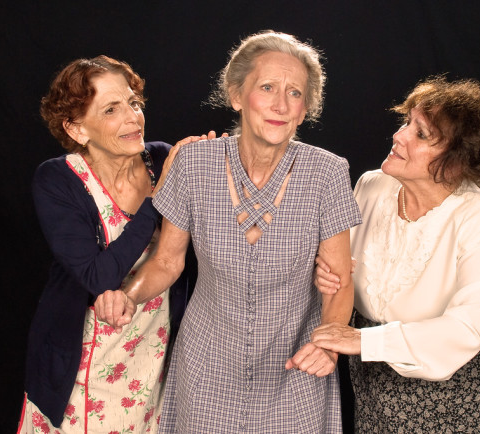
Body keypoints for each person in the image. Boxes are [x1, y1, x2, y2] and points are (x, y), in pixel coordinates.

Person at [95, 31, 361, 433]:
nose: (280, 104)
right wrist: (128, 298)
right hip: (206, 371)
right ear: (237, 95)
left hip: (295, 370)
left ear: (305, 109)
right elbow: (167, 261)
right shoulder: (194, 164)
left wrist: (327, 346)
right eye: (267, 87)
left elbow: (339, 281)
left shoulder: (327, 173)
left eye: (294, 93)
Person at [17, 55, 220, 433]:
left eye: (134, 103)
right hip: (81, 367)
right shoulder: (57, 180)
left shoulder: (161, 159)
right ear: (77, 129)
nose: (132, 117)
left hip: (155, 353)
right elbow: (98, 276)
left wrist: (216, 166)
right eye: (112, 109)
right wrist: (159, 196)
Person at [312, 76, 480, 432]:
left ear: (457, 162)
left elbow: (467, 329)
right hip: (371, 370)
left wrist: (363, 340)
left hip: (449, 385)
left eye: (421, 134)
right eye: (406, 123)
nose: (398, 136)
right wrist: (327, 273)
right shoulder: (371, 185)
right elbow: (343, 268)